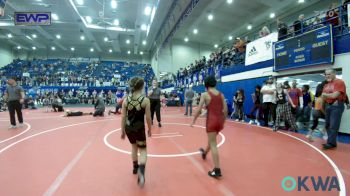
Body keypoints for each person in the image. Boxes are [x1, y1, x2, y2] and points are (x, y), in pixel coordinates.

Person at [190, 76, 228, 178]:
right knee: (212, 140)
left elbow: (198, 109)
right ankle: (205, 153)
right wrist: (223, 122)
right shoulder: (221, 95)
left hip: (211, 121)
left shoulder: (205, 94)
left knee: (213, 144)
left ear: (206, 85)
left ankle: (217, 169)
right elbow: (225, 110)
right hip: (219, 121)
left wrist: (193, 120)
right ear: (215, 84)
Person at [121, 77, 152, 187]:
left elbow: (123, 116)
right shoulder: (145, 100)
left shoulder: (125, 100)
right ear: (142, 87)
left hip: (128, 128)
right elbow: (148, 118)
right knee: (143, 150)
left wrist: (122, 131)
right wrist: (150, 129)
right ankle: (142, 171)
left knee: (134, 147)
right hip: (139, 129)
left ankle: (135, 168)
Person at [321, 69, 347, 150]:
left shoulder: (339, 82)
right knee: (328, 125)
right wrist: (323, 103)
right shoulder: (326, 85)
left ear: (334, 73)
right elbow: (323, 97)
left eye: (329, 74)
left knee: (333, 125)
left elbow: (334, 96)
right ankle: (331, 142)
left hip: (336, 105)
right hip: (328, 105)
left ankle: (331, 143)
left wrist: (325, 95)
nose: (327, 76)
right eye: (326, 74)